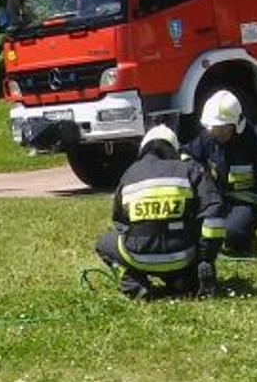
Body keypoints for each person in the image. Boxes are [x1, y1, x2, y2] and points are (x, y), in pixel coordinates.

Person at [96, 125, 226, 300]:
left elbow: (120, 222)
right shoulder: (190, 170)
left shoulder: (129, 174)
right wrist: (205, 258)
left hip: (138, 257)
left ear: (143, 148)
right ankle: (182, 281)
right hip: (183, 256)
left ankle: (133, 283)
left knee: (103, 244)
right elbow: (214, 216)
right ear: (174, 149)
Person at [183, 91, 257, 258]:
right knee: (193, 226)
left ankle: (248, 238)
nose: (216, 133)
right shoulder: (209, 138)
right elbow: (187, 155)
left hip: (247, 203)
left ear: (236, 124)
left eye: (221, 129)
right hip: (219, 200)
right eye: (213, 128)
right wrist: (200, 177)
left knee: (234, 236)